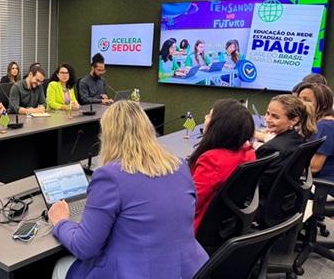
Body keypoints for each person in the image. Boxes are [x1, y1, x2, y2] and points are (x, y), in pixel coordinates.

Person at [49, 101, 208, 279]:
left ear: (108, 135)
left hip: (133, 272)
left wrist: (61, 221)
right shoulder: (179, 165)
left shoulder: (109, 176)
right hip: (188, 270)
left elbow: (84, 247)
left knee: (60, 267)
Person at [188, 99, 256, 232]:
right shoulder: (249, 154)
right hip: (225, 227)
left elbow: (191, 205)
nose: (205, 118)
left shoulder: (211, 160)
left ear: (220, 125)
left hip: (197, 229)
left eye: (209, 115)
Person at [255, 94, 316, 195]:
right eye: (267, 113)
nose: (267, 119)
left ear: (294, 120)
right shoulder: (300, 140)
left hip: (259, 202)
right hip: (283, 202)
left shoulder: (271, 148)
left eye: (275, 116)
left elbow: (251, 184)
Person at [298, 83, 334, 182]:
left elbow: (314, 167)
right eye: (299, 99)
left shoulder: (324, 127)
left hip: (322, 187)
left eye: (307, 100)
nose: (301, 103)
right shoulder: (321, 123)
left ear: (324, 104)